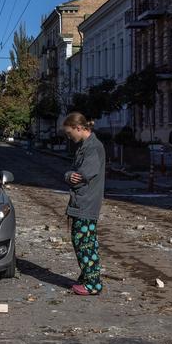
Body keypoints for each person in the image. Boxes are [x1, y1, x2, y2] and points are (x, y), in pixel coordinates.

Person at [62, 111, 106, 296]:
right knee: (84, 241)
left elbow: (80, 176)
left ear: (78, 128)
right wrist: (68, 175)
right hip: (82, 202)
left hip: (86, 202)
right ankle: (88, 277)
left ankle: (92, 284)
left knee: (84, 243)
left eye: (69, 133)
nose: (69, 137)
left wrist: (69, 177)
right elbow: (72, 173)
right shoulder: (85, 146)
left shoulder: (92, 147)